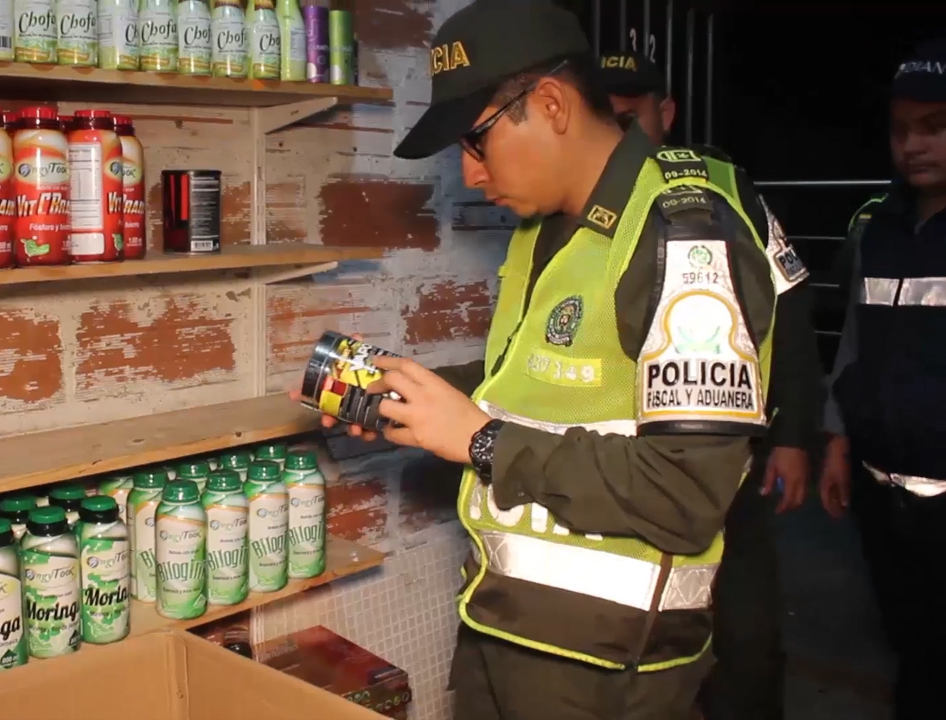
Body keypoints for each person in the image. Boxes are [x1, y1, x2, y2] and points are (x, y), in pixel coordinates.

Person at [291, 1, 777, 717]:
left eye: (477, 141)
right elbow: (528, 386)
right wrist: (407, 397)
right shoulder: (545, 231)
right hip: (503, 623)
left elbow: (685, 495)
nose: (469, 173)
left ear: (551, 104)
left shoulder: (684, 240)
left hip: (609, 663)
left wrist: (481, 440)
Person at [598, 51, 825, 720]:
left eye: (630, 118)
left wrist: (793, 437)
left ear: (665, 113)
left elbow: (791, 310)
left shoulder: (724, 191)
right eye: (605, 120)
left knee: (747, 637)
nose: (620, 135)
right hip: (626, 464)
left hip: (732, 463)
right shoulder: (585, 201)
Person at [819, 39, 946, 720]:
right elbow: (854, 341)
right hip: (883, 493)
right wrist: (837, 439)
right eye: (901, 129)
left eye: (934, 127)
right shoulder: (878, 228)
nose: (912, 145)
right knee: (911, 652)